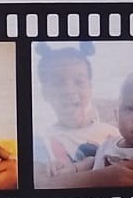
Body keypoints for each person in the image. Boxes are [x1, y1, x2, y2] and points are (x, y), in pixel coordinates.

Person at [31, 43, 119, 175]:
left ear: (90, 87)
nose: (69, 91)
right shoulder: (41, 141)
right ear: (45, 92)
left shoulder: (112, 134)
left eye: (79, 82)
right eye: (58, 83)